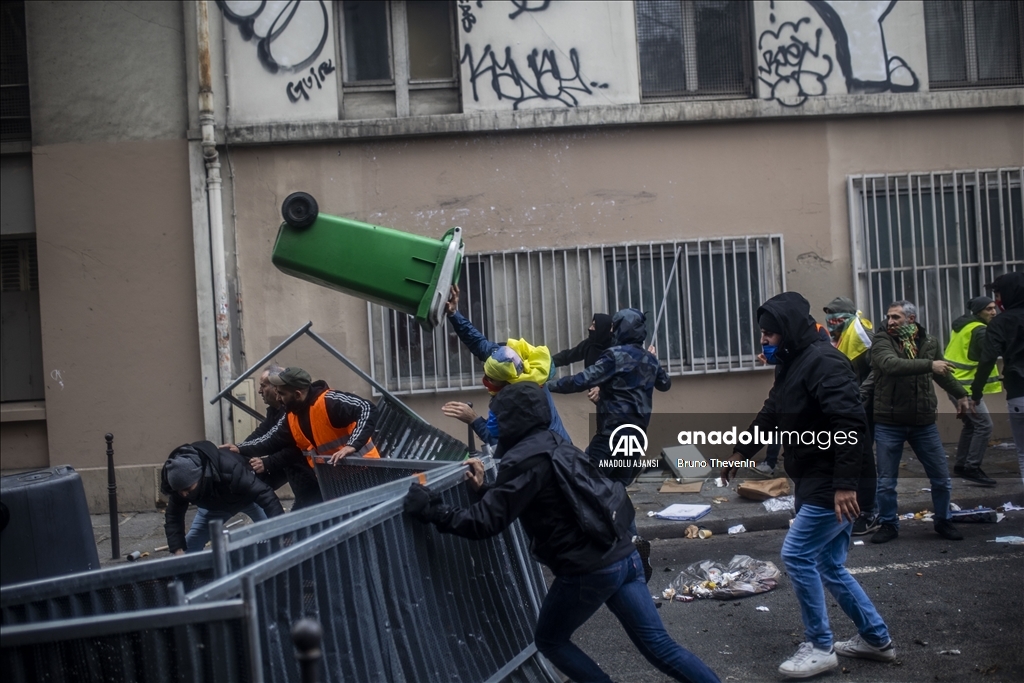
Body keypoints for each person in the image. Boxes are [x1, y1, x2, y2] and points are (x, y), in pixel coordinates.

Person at [405, 382, 720, 683]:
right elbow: (541, 499)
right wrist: (485, 488)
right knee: (660, 647)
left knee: (550, 640)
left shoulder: (523, 460)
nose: (493, 423)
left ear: (513, 420)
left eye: (497, 417)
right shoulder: (557, 444)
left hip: (590, 569)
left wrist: (433, 510)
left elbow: (484, 523)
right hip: (625, 556)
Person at [721, 292, 894, 680]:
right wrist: (741, 453)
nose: (764, 340)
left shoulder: (824, 362)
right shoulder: (792, 362)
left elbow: (850, 424)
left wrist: (846, 485)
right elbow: (772, 411)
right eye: (762, 333)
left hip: (835, 481)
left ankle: (819, 646)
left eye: (770, 333)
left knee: (797, 555)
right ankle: (877, 640)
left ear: (790, 331)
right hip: (817, 476)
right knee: (829, 563)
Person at [869, 300, 973, 544]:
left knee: (941, 477)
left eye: (896, 317)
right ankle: (888, 524)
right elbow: (890, 365)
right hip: (889, 422)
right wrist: (929, 364)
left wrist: (961, 394)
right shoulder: (882, 340)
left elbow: (943, 373)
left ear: (911, 319)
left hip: (923, 422)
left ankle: (943, 520)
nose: (890, 322)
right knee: (886, 482)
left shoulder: (929, 342)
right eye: (889, 317)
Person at [548, 308, 670, 485]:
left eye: (615, 327)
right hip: (636, 436)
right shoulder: (649, 360)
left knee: (585, 480)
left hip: (611, 435)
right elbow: (665, 384)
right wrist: (653, 361)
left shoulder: (615, 356)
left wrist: (546, 385)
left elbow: (581, 380)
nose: (611, 331)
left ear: (623, 328)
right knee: (617, 488)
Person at [440, 285, 572, 448]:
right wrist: (453, 313)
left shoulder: (518, 401)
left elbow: (497, 439)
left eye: (490, 379)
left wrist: (473, 418)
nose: (486, 380)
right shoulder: (508, 360)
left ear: (506, 382)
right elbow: (477, 342)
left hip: (552, 460)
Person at [233, 366, 379, 466]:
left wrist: (351, 445)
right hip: (336, 477)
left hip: (365, 469)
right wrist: (238, 448)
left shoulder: (329, 401)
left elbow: (367, 408)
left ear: (297, 394)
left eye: (282, 394)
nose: (278, 398)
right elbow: (271, 440)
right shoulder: (292, 415)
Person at [161, 441, 284, 554]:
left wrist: (283, 529)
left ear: (200, 476)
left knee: (275, 534)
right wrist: (177, 549)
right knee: (189, 547)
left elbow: (264, 494)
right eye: (180, 491)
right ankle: (183, 577)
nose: (184, 494)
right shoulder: (179, 484)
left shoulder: (229, 467)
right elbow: (173, 515)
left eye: (188, 489)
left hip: (248, 500)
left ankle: (281, 569)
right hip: (213, 508)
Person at [822, 297, 879, 536]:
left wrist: (860, 393)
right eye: (830, 320)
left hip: (864, 405)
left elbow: (878, 368)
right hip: (849, 404)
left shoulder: (861, 333)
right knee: (853, 457)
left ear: (848, 316)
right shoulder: (842, 336)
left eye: (836, 319)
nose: (832, 324)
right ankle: (855, 507)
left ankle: (868, 511)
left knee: (864, 459)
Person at [243, 366, 324, 509]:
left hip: (313, 479)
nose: (260, 391)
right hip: (301, 482)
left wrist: (267, 462)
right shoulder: (275, 412)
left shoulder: (292, 411)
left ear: (277, 388)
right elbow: (263, 435)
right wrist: (240, 448)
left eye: (263, 385)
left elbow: (293, 446)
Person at [971, 272, 1024, 485]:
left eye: (999, 294)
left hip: (1019, 394)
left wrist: (976, 392)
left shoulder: (1001, 323)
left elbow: (987, 360)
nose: (998, 300)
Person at [944, 296, 1000, 486]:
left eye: (994, 308)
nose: (993, 312)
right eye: (988, 309)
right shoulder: (979, 330)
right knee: (985, 426)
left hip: (953, 384)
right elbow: (987, 358)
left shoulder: (963, 326)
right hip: (965, 389)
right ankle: (972, 467)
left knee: (971, 425)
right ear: (978, 312)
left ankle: (962, 465)